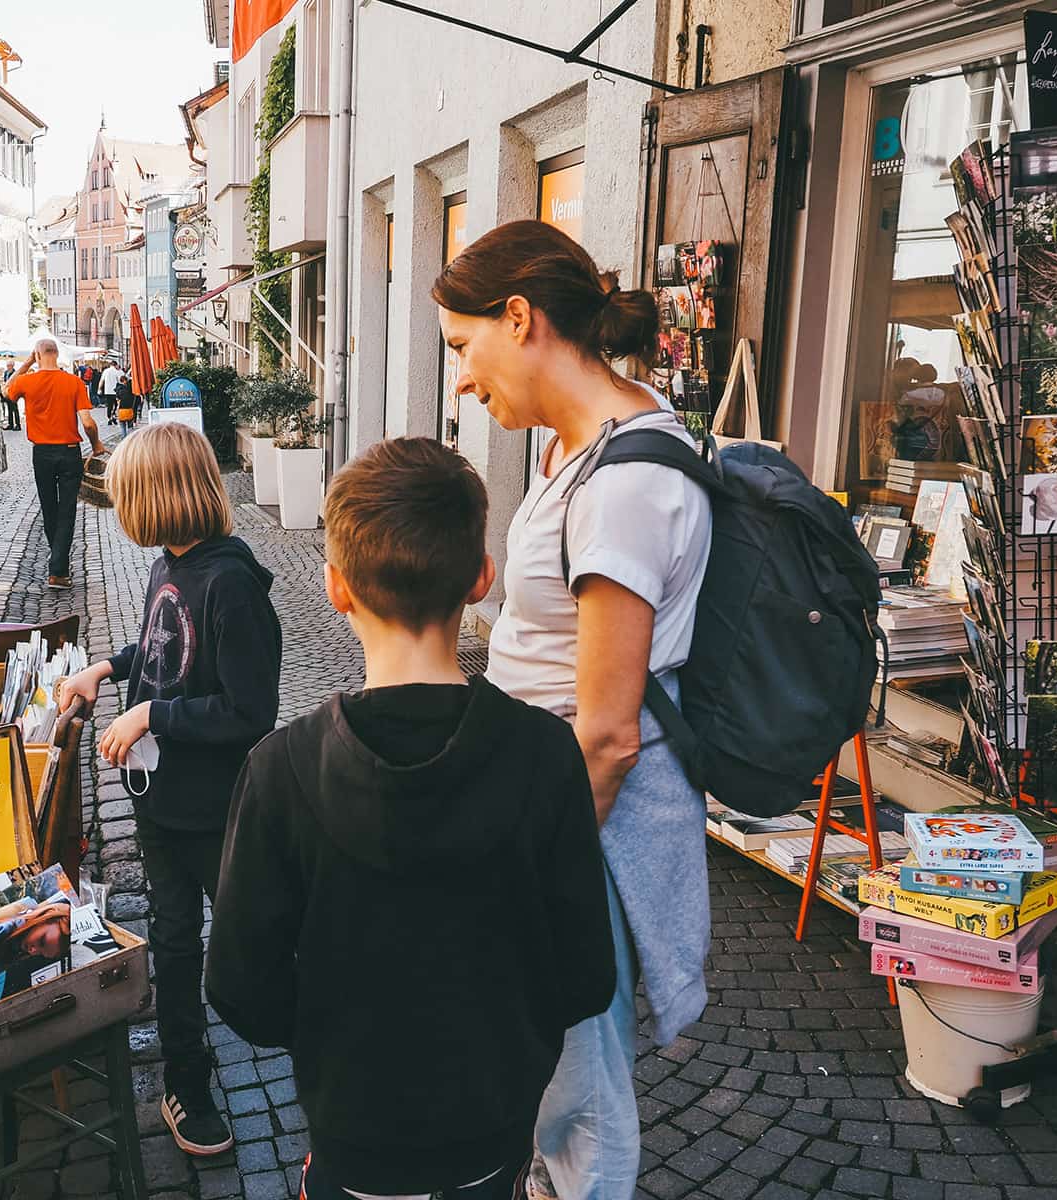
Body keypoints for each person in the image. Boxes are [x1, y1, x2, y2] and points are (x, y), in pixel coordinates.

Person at [206, 437, 614, 1200]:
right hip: (494, 1129)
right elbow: (586, 972)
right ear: (482, 579)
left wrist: (327, 1031)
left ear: (335, 588)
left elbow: (238, 984)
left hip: (352, 1130)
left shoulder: (280, 771)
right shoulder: (546, 755)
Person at [433, 219, 712, 1200]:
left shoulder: (625, 481)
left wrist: (530, 870)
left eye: (464, 348)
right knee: (551, 1087)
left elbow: (605, 733)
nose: (463, 380)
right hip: (543, 810)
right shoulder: (578, 450)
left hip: (575, 833)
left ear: (520, 318)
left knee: (580, 1100)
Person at [59, 422, 281, 1159]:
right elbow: (160, 647)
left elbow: (250, 711)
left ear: (155, 499)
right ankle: (188, 1075)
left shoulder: (231, 584)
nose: (118, 512)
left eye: (124, 497)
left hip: (218, 811)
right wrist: (106, 669)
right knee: (174, 944)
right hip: (158, 803)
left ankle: (316, 1056)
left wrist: (154, 712)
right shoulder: (169, 567)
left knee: (255, 940)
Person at [6, 336, 103, 589]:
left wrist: (27, 363)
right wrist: (96, 446)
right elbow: (88, 422)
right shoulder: (73, 382)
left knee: (49, 508)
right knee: (67, 509)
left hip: (42, 454)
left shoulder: (27, 381)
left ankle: (57, 563)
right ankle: (58, 568)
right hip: (69, 452)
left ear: (38, 355)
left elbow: (6, 390)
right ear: (57, 354)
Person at [100, 360, 124, 424]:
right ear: (115, 365)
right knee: (115, 405)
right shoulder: (116, 371)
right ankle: (113, 416)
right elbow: (120, 381)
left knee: (109, 405)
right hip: (115, 391)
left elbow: (102, 380)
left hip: (107, 391)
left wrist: (99, 389)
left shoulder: (105, 371)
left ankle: (109, 418)